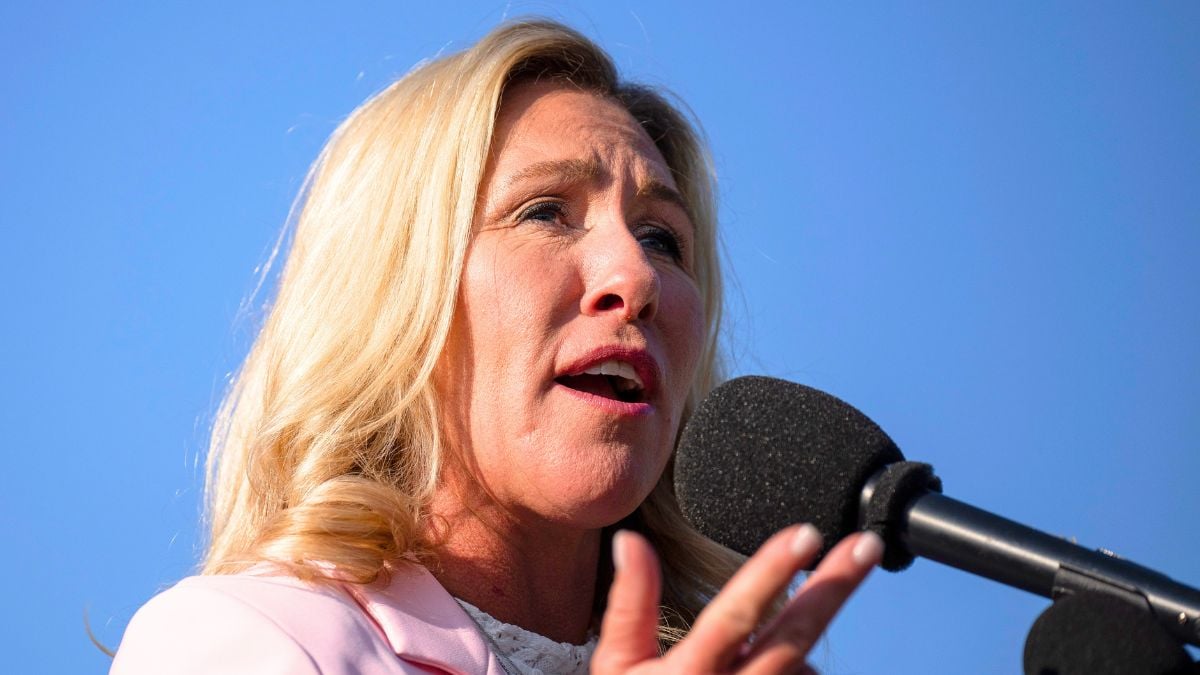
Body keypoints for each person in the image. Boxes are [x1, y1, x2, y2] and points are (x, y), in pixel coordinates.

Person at [112, 19, 883, 674]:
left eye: (662, 238)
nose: (635, 275)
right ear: (393, 291)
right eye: (546, 212)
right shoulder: (242, 638)